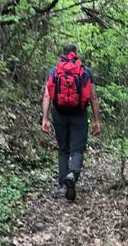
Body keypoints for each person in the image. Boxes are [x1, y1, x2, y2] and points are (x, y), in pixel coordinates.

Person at [41, 44, 101, 201]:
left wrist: (45, 118)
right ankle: (72, 175)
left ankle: (62, 186)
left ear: (62, 54)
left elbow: (47, 96)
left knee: (63, 150)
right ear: (76, 54)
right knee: (77, 150)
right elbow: (93, 97)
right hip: (79, 115)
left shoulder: (54, 71)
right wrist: (96, 120)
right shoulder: (86, 72)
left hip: (59, 114)